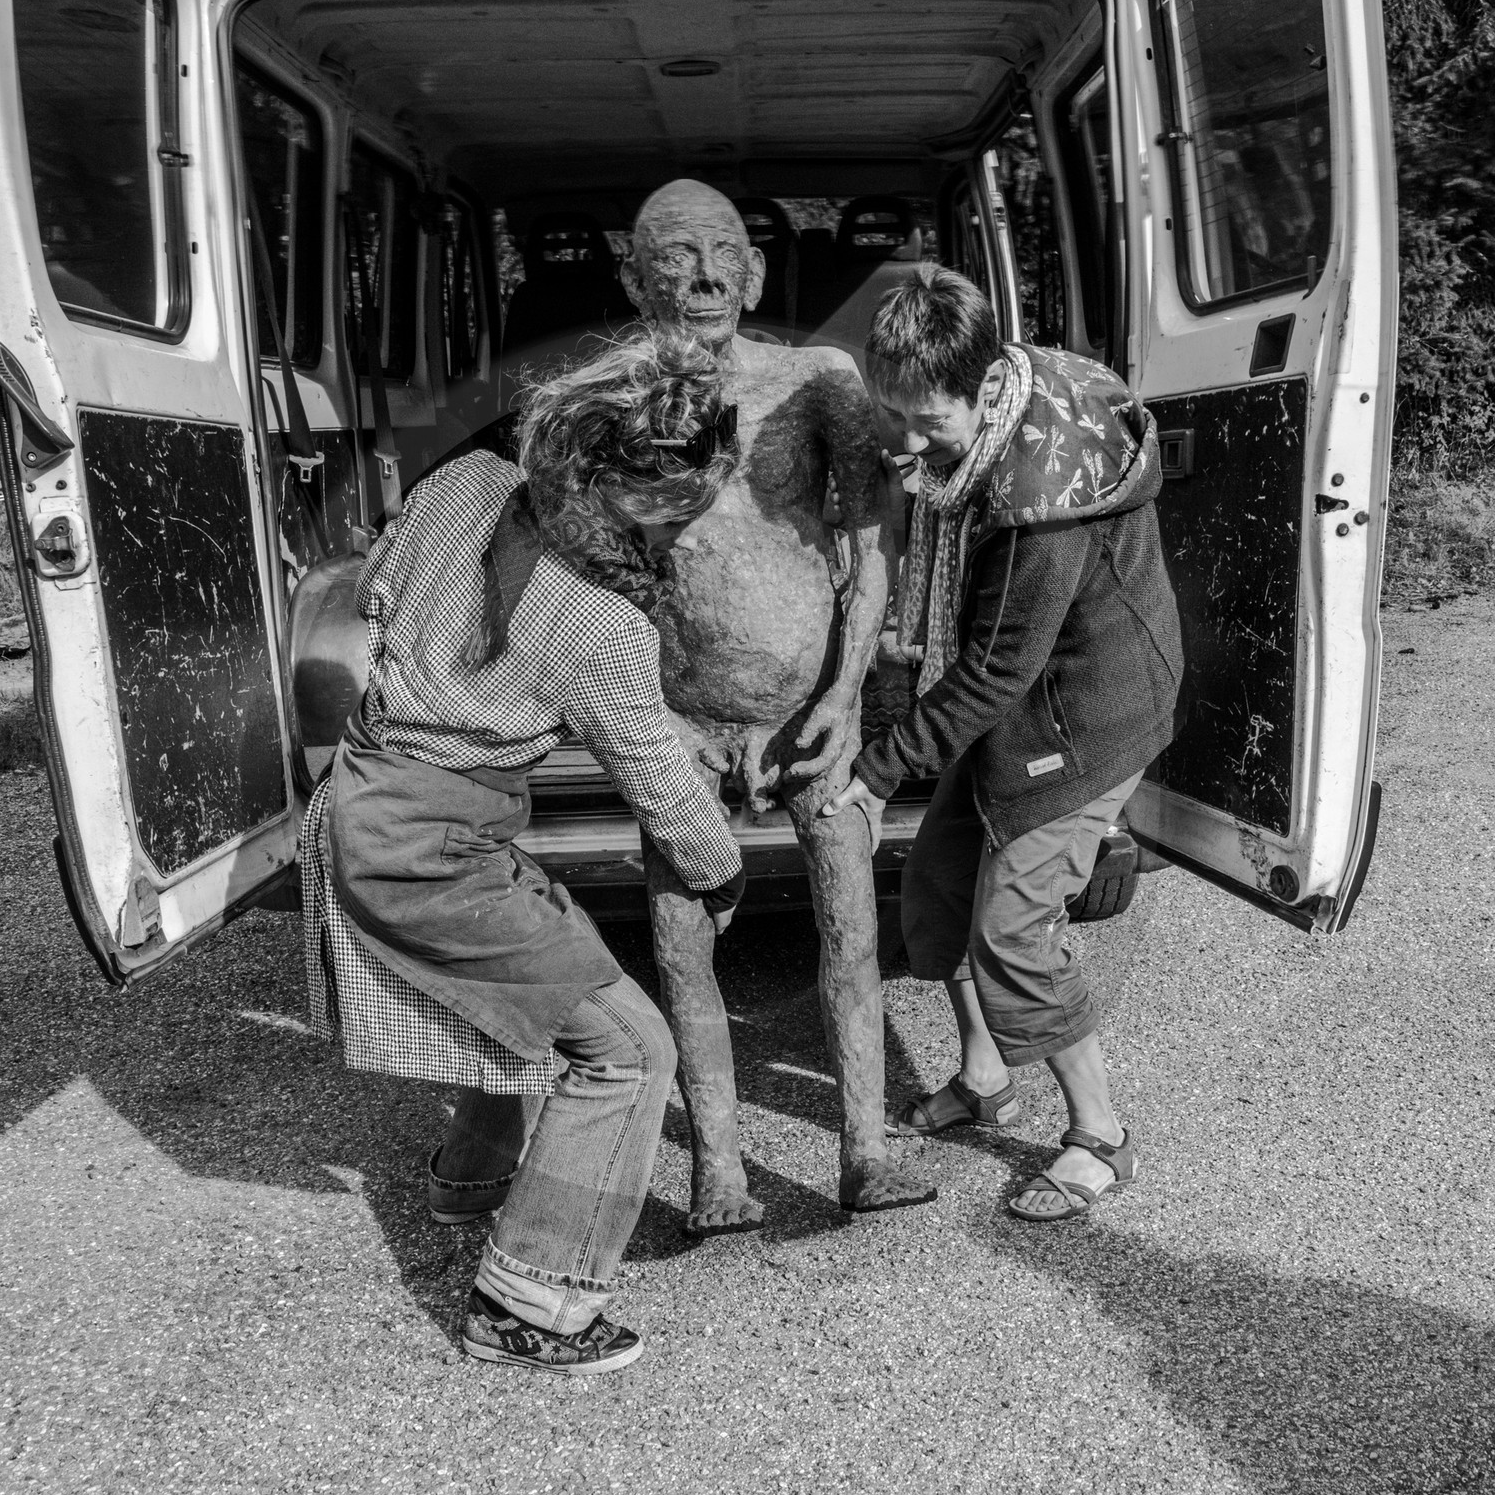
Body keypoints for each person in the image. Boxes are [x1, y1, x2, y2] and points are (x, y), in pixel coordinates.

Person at [301, 331, 746, 1372]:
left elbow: (379, 593)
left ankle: (472, 1176)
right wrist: (720, 873)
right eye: (681, 506)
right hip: (429, 848)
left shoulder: (465, 478)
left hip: (368, 798)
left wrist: (467, 693)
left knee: (530, 992)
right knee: (630, 1046)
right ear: (627, 488)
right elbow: (666, 798)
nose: (691, 523)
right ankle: (530, 1299)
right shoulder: (603, 627)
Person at [823, 265, 1183, 1223]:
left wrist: (873, 770)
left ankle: (1100, 1135)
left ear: (986, 389)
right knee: (940, 889)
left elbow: (992, 675)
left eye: (924, 422)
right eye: (887, 411)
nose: (903, 443)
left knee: (1012, 929)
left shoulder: (1038, 499)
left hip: (1087, 713)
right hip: (1026, 697)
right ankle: (986, 1074)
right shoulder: (999, 393)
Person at [618, 179, 935, 1226]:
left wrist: (847, 694)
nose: (705, 275)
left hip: (810, 710)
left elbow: (874, 545)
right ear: (634, 274)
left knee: (849, 928)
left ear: (754, 272)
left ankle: (867, 1153)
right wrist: (638, 716)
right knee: (681, 936)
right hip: (680, 717)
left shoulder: (816, 379)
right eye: (676, 255)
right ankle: (718, 1169)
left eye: (724, 251)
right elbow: (588, 564)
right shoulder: (612, 397)